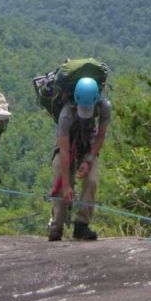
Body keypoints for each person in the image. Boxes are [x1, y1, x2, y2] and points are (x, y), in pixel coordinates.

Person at [49, 77, 111, 241]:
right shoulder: (66, 114)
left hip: (88, 144)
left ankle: (81, 225)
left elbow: (101, 136)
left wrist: (88, 160)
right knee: (61, 178)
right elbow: (63, 150)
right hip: (66, 145)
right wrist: (68, 186)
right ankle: (56, 227)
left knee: (91, 181)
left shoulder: (104, 106)